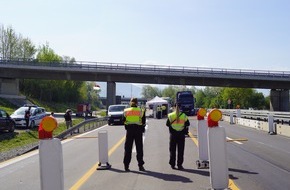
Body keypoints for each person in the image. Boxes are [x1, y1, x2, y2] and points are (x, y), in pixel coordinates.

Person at [123, 97, 146, 172]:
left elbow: (123, 120)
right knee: (139, 148)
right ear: (137, 103)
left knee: (128, 148)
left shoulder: (126, 110)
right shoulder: (141, 110)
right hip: (138, 130)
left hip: (129, 130)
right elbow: (143, 121)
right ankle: (140, 165)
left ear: (130, 102)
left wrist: (127, 127)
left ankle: (126, 166)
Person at [166, 103, 190, 170]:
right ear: (181, 107)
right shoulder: (184, 115)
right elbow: (188, 123)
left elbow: (167, 124)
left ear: (174, 107)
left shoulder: (171, 115)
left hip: (173, 135)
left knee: (172, 150)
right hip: (181, 135)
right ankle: (179, 165)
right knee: (181, 150)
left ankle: (172, 164)